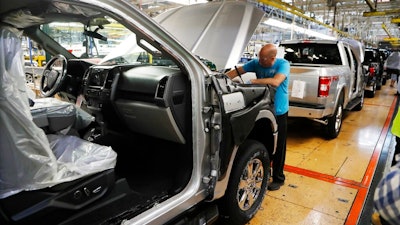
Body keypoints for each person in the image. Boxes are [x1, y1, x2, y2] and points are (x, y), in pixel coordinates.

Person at [225, 43, 290, 191]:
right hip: (263, 108)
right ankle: (265, 168)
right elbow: (235, 72)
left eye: (262, 59)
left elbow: (276, 82)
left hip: (279, 110)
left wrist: (253, 81)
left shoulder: (283, 64)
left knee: (279, 146)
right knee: (264, 142)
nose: (259, 61)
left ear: (272, 58)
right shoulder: (257, 62)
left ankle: (279, 178)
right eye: (259, 58)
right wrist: (221, 79)